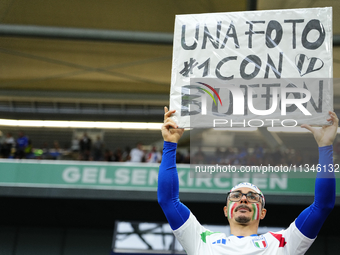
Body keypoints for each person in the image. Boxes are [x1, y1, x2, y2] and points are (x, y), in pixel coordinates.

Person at [158, 106, 337, 255]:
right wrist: (170, 143)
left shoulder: (282, 243)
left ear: (263, 213)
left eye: (253, 197)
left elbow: (323, 205)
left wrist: (325, 146)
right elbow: (168, 200)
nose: (244, 199)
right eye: (236, 195)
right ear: (226, 210)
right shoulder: (203, 241)